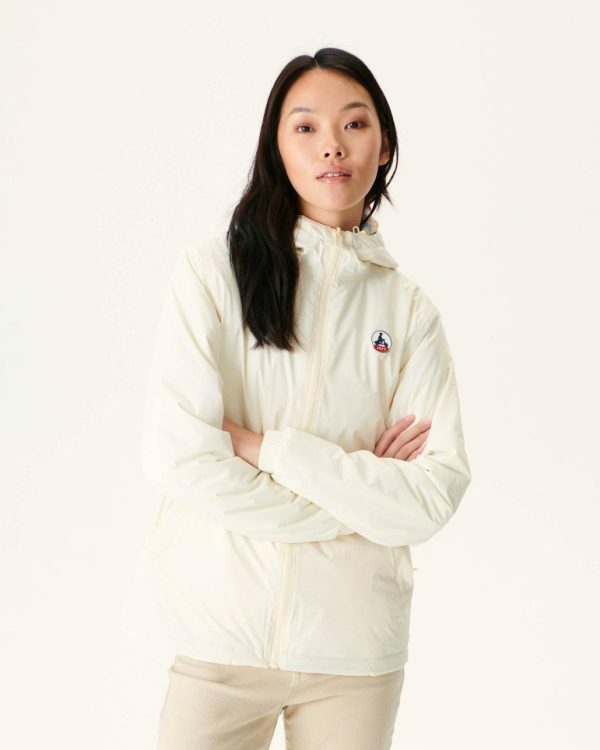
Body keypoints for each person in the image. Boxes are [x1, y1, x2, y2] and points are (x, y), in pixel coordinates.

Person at [135, 47, 472, 750]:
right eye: (306, 127)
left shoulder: (410, 313)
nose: (332, 146)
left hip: (356, 654)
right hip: (220, 642)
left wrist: (265, 450)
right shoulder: (212, 275)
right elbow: (183, 461)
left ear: (384, 146)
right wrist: (360, 502)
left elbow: (430, 496)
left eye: (355, 124)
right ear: (276, 146)